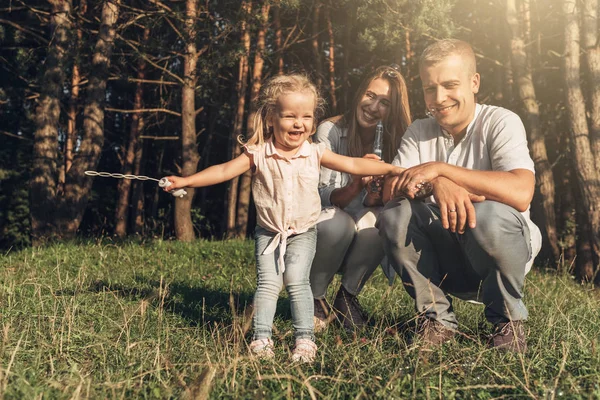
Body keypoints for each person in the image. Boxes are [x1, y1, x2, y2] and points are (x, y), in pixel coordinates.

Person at [163, 74, 407, 363]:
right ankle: (261, 338)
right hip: (269, 233)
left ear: (313, 123)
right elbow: (223, 171)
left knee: (296, 280)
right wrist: (186, 180)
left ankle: (305, 340)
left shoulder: (315, 152)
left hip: (303, 232)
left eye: (305, 117)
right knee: (267, 283)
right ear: (270, 118)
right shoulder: (259, 153)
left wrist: (392, 170)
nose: (298, 123)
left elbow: (353, 164)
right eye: (289, 116)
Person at [377, 39, 541, 353]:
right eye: (429, 88)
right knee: (395, 213)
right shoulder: (418, 131)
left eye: (450, 85)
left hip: (497, 249)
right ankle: (436, 319)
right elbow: (390, 189)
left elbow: (521, 192)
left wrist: (441, 170)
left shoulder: (501, 121)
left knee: (489, 215)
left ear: (474, 82)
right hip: (442, 252)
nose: (439, 99)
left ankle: (507, 322)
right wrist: (435, 183)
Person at [310, 65, 412, 332]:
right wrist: (356, 184)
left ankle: (346, 299)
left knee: (383, 220)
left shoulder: (398, 139)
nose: (373, 106)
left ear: (393, 110)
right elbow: (321, 197)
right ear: (359, 93)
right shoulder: (329, 131)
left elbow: (399, 200)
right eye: (370, 95)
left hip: (363, 222)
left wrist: (379, 196)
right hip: (328, 221)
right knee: (338, 223)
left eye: (385, 103)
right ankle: (315, 298)